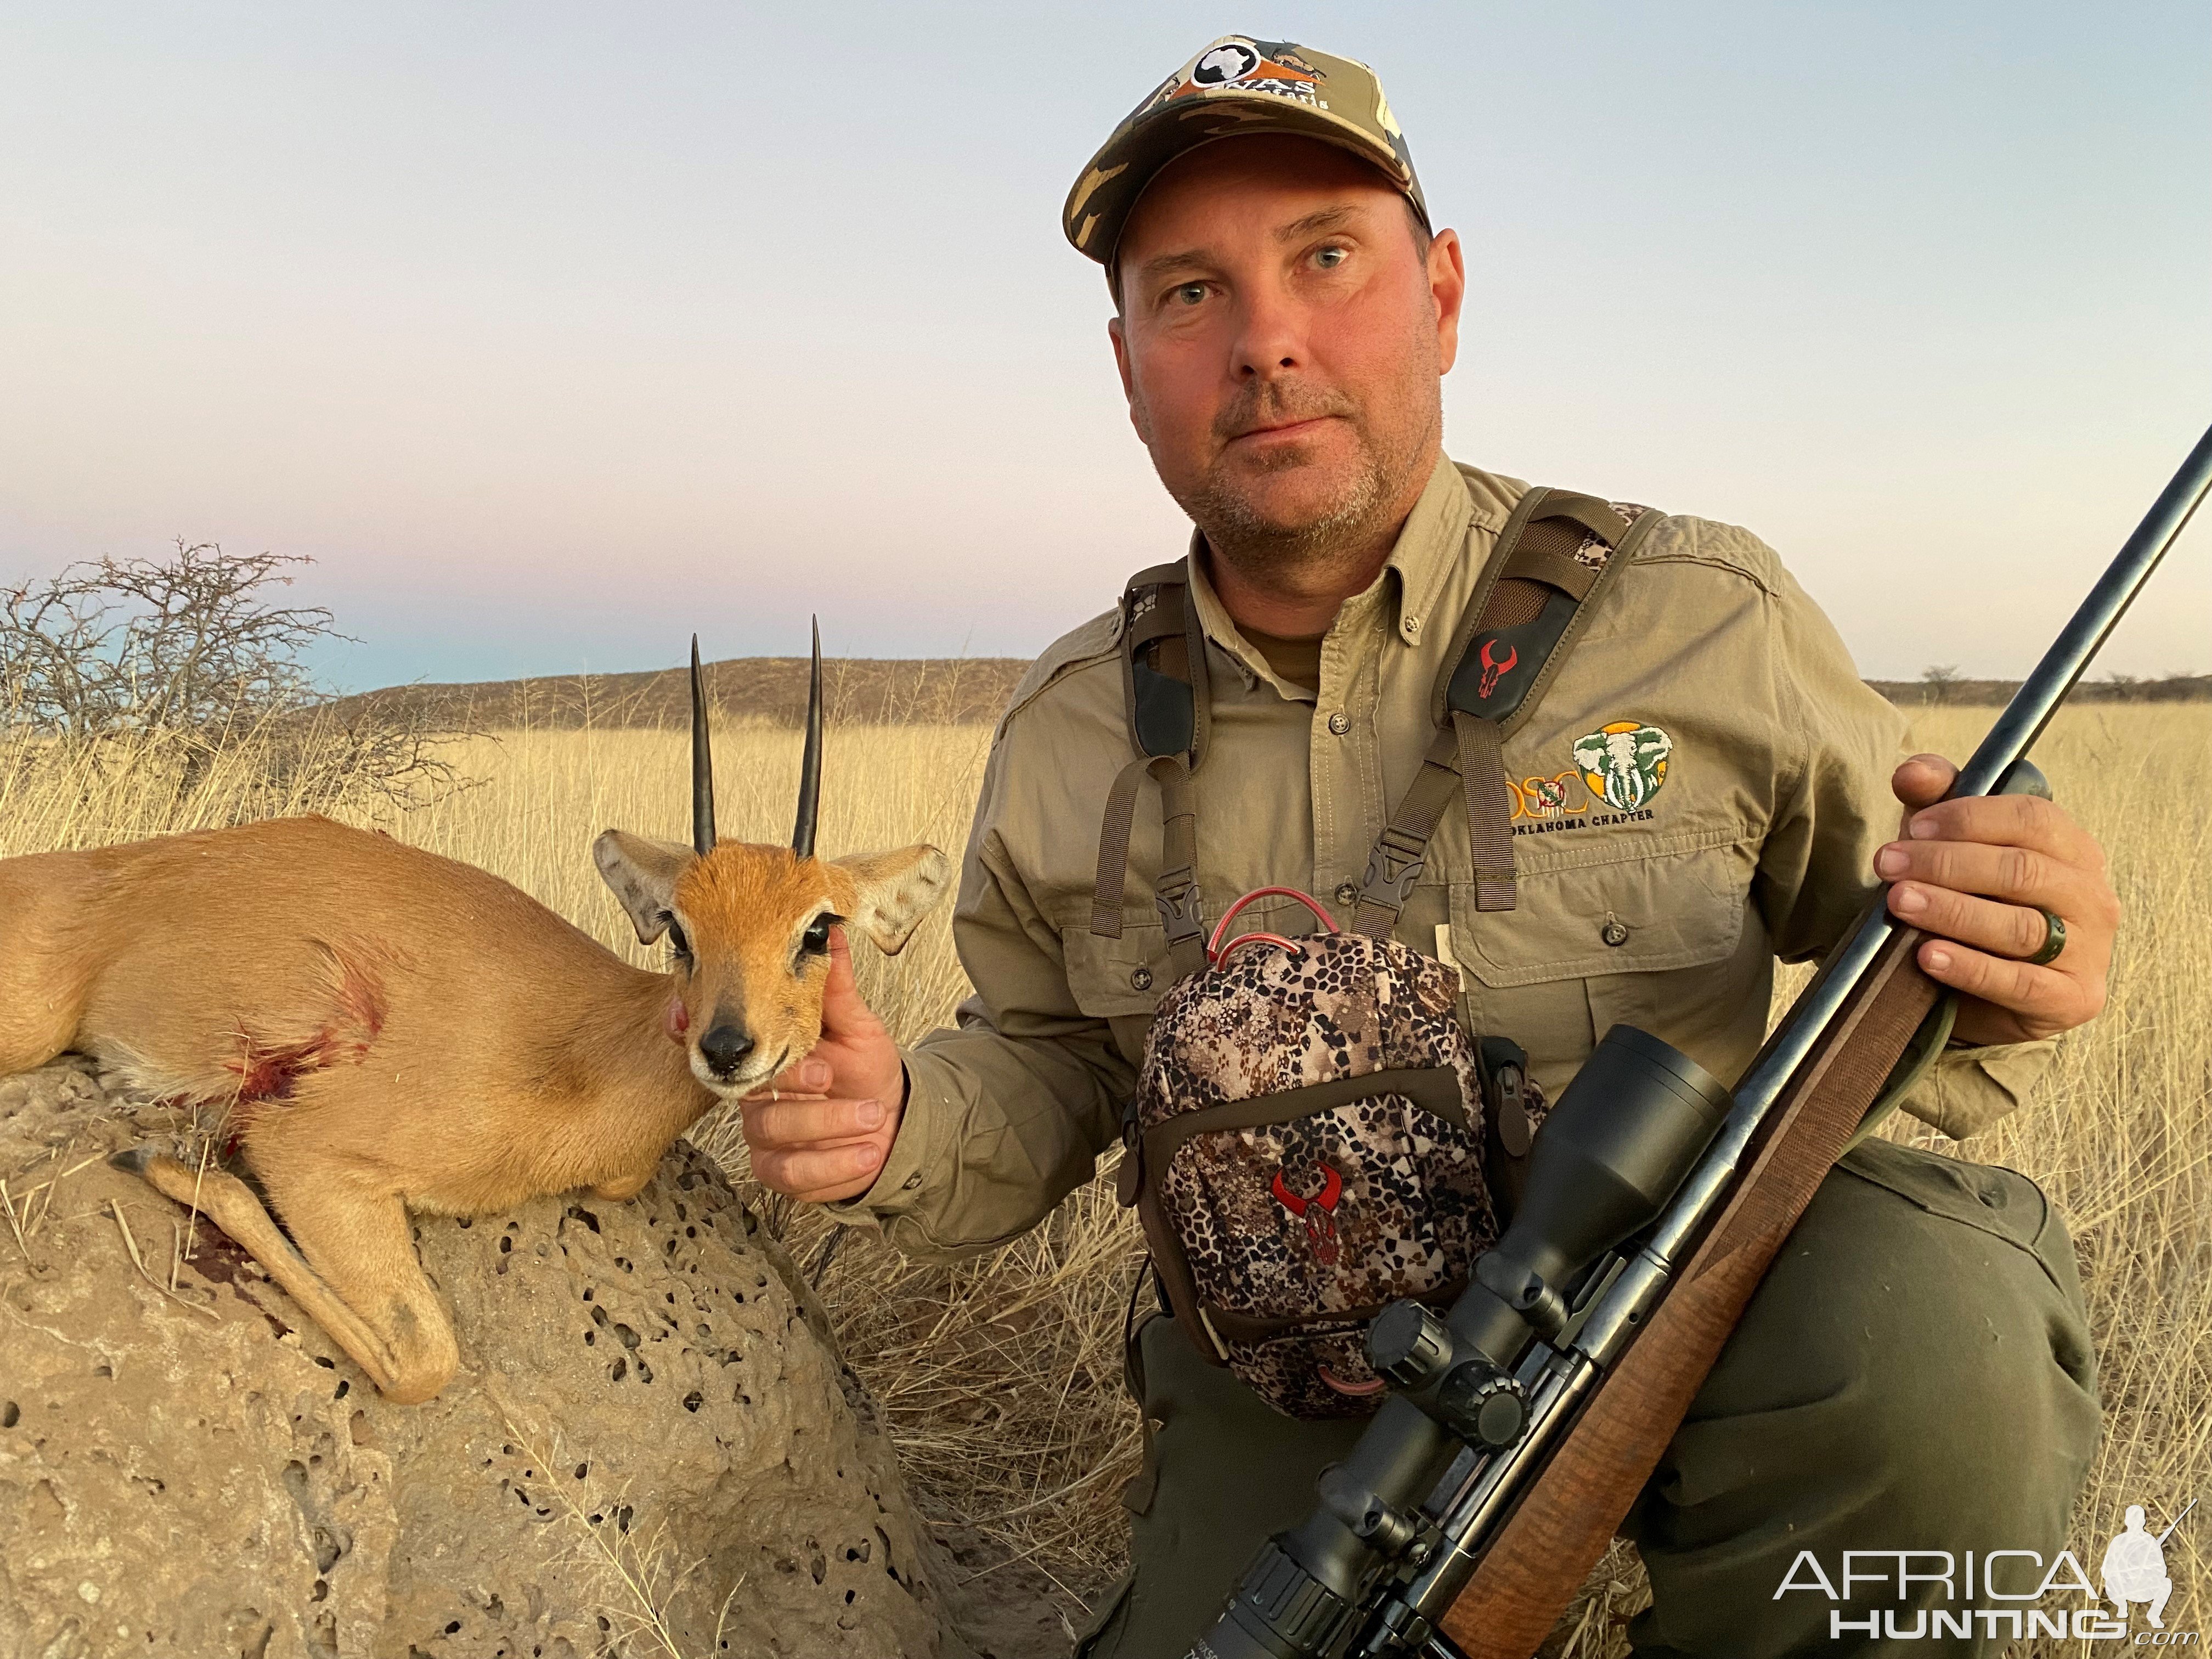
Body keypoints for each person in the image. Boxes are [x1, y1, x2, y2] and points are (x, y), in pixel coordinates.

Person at [741, 36, 2114, 1657]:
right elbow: (1046, 1068)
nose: (1265, 341)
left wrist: (2022, 950)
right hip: (1302, 1385)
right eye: (1189, 294)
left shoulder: (1698, 617)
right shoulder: (1068, 728)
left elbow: (1917, 961)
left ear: (1443, 294)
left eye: (1326, 257)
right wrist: (898, 1116)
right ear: (1128, 368)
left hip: (1682, 1296)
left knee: (1930, 1326)